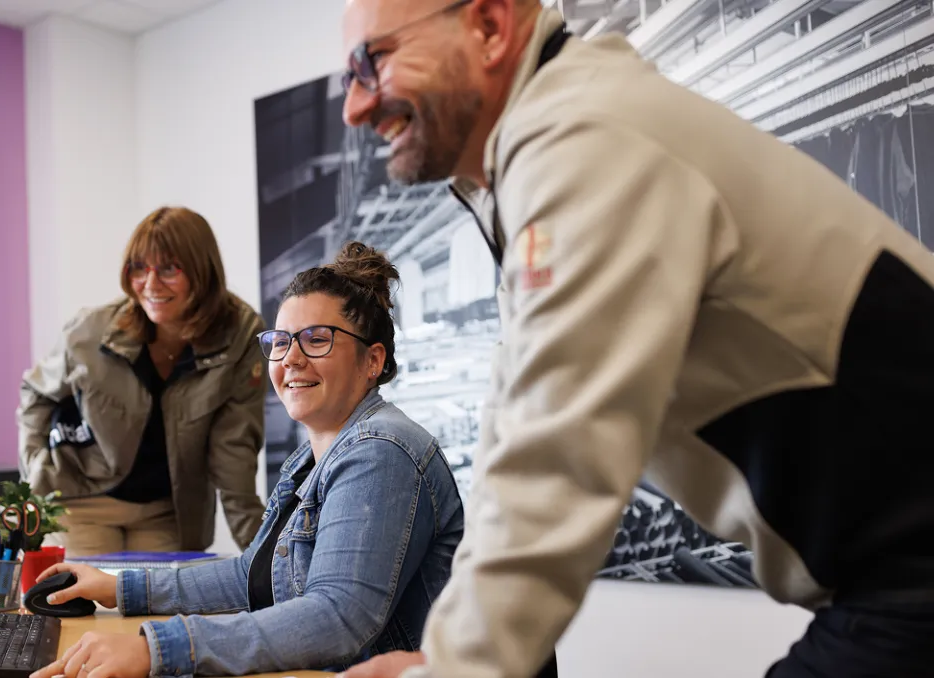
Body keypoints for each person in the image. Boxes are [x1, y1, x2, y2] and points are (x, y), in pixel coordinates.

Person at [337, 1, 934, 677]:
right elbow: (519, 421)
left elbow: (556, 448)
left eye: (372, 61)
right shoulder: (548, 149)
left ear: (489, 26)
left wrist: (453, 668)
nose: (355, 107)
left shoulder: (582, 138)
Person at [29, 241, 466, 678]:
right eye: (281, 342)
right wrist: (118, 587)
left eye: (317, 339)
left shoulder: (382, 451)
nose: (291, 358)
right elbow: (248, 575)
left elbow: (336, 617)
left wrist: (156, 649)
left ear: (373, 360)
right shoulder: (311, 459)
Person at [17, 206, 266, 556]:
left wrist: (263, 557)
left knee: (155, 604)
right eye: (138, 267)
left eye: (168, 269)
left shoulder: (240, 336)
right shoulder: (91, 331)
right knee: (92, 605)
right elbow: (36, 394)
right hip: (80, 500)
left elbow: (234, 450)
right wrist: (35, 472)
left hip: (164, 510)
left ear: (202, 271)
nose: (150, 284)